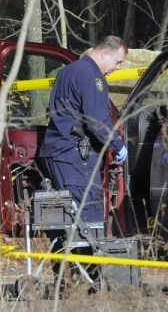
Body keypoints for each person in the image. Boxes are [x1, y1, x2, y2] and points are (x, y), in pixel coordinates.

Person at [38, 35, 128, 231]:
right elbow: (97, 122)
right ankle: (89, 263)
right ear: (105, 54)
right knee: (89, 220)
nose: (118, 67)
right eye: (118, 61)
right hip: (75, 158)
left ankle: (64, 261)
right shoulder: (92, 77)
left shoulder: (68, 71)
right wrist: (118, 145)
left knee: (64, 220)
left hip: (56, 153)